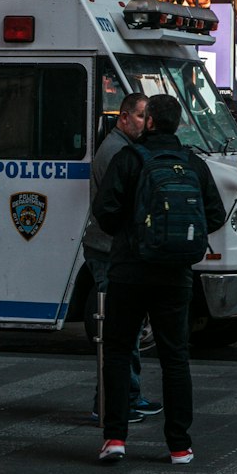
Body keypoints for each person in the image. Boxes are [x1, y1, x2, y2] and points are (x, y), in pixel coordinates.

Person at [93, 93, 227, 465]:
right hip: (176, 276)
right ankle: (179, 445)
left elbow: (104, 210)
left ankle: (115, 438)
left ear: (149, 121)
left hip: (129, 271)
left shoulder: (129, 159)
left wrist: (132, 232)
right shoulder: (193, 164)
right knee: (175, 357)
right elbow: (214, 215)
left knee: (119, 351)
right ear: (178, 123)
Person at [84, 93, 160, 425]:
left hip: (111, 248)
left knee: (123, 329)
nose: (146, 123)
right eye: (141, 116)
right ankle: (113, 401)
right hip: (108, 251)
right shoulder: (117, 151)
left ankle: (126, 396)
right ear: (124, 117)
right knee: (119, 330)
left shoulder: (120, 147)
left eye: (149, 117)